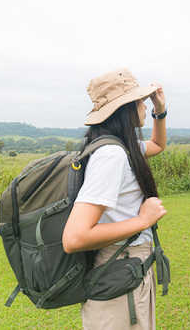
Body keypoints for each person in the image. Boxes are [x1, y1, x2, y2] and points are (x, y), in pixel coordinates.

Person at [62, 68, 168, 330]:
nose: (144, 105)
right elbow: (74, 238)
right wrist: (143, 220)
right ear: (125, 108)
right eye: (139, 101)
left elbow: (157, 145)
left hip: (127, 270)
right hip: (120, 270)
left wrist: (160, 111)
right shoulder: (112, 155)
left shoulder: (122, 146)